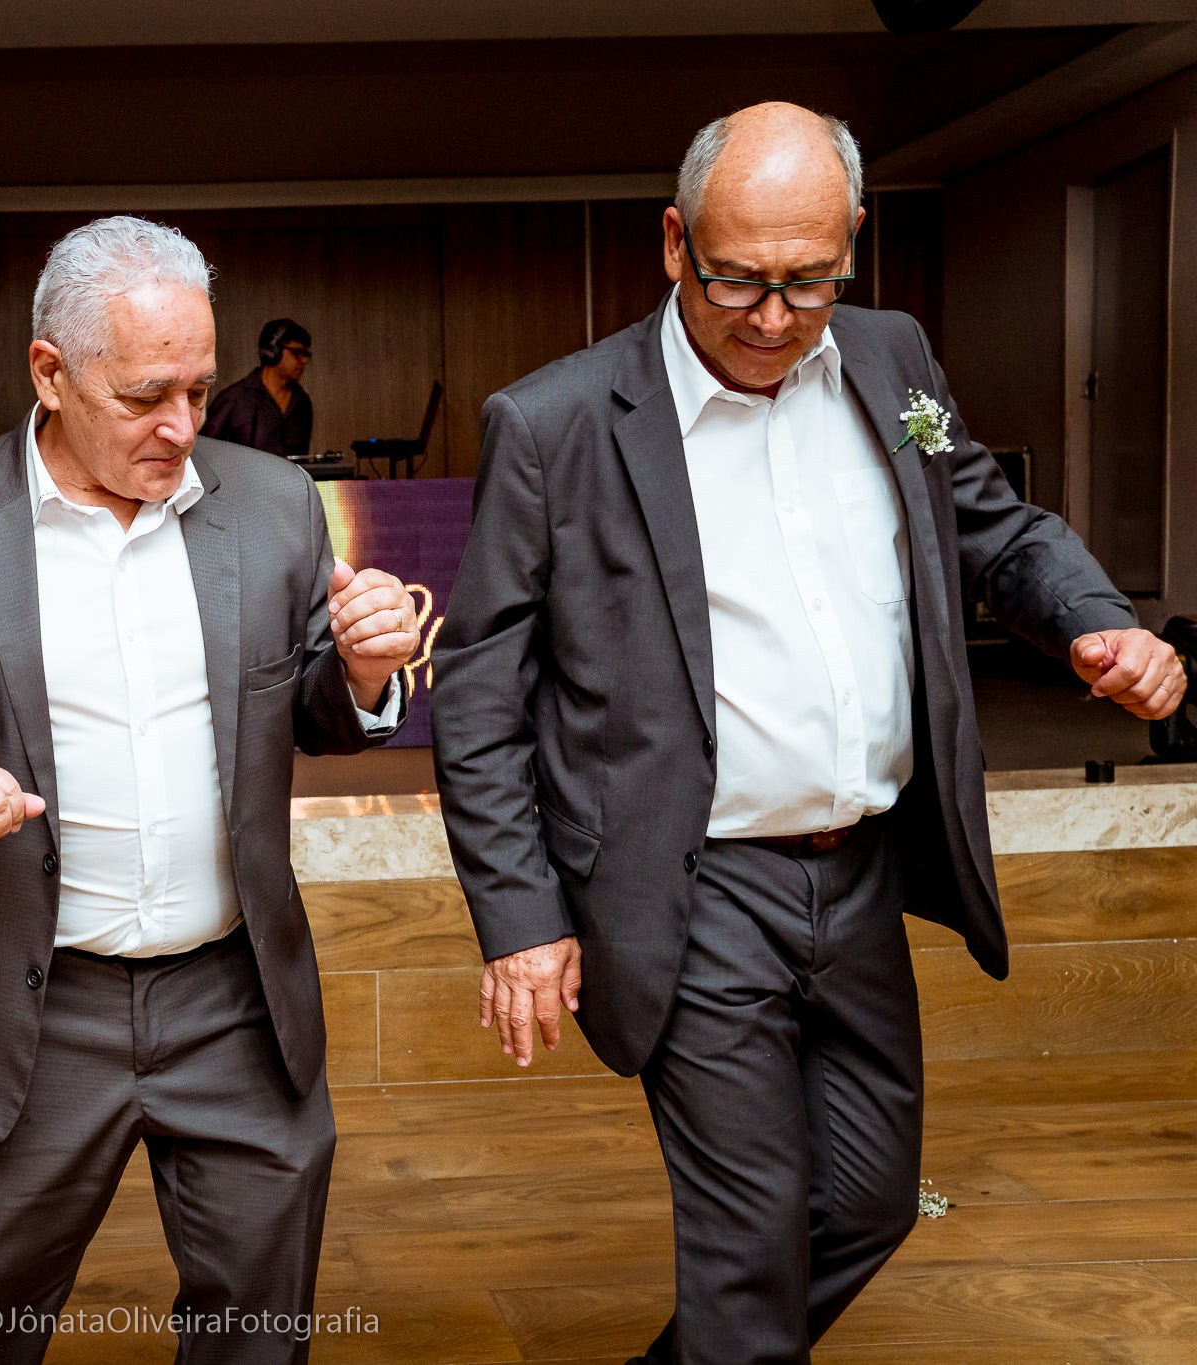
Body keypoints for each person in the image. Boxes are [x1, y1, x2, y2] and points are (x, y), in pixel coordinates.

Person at [431, 103, 1185, 1365]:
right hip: (692, 882)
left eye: (806, 283)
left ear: (850, 248)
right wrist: (520, 921)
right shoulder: (556, 426)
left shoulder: (893, 362)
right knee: (746, 1244)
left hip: (860, 875)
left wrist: (1092, 625)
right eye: (736, 280)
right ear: (673, 243)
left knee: (868, 1200)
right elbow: (480, 692)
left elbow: (990, 528)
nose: (772, 317)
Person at [0, 215, 420, 1364]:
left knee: (259, 1335)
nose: (182, 427)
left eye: (199, 387)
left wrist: (364, 672)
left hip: (236, 1008)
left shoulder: (271, 504)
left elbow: (314, 707)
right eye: (143, 396)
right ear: (49, 372)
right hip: (27, 1008)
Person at [200, 318, 314, 456]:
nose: (303, 361)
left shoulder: (302, 402)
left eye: (305, 355)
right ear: (272, 351)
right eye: (296, 353)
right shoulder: (233, 400)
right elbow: (203, 453)